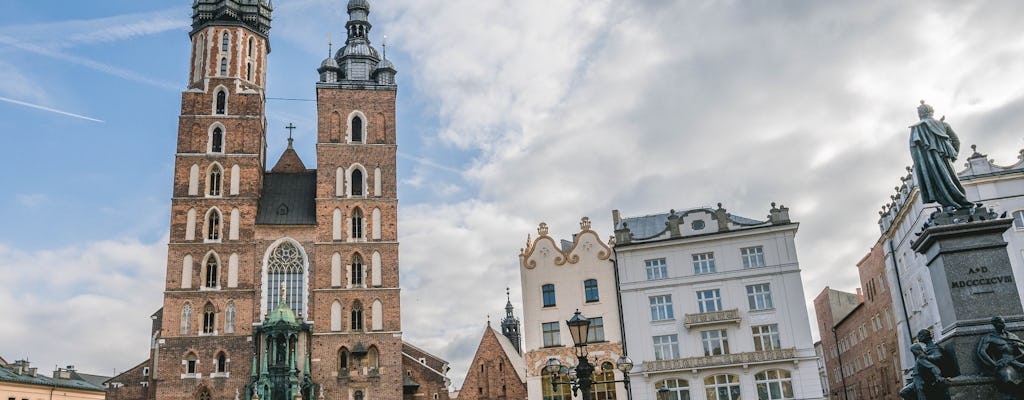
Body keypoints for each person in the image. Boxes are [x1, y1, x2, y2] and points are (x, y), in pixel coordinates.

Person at [909, 101, 974, 210]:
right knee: (952, 180)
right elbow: (956, 140)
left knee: (938, 182)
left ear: (920, 114)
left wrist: (922, 164)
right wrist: (953, 154)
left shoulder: (917, 128)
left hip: (929, 163)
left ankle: (948, 204)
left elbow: (914, 150)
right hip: (945, 158)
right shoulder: (943, 125)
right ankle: (959, 202)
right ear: (932, 112)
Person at [977, 316, 1024, 399]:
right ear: (994, 324)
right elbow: (981, 351)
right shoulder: (990, 337)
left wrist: (1019, 345)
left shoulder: (1012, 335)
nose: (1003, 324)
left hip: (1016, 362)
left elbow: (1022, 345)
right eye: (1000, 323)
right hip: (1003, 363)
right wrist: (993, 363)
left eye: (1003, 322)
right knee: (1007, 376)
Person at [901, 329, 950, 400]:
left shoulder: (933, 347)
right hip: (921, 376)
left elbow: (938, 357)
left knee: (907, 392)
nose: (918, 338)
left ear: (925, 336)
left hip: (926, 377)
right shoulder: (925, 349)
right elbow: (921, 363)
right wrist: (910, 369)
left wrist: (927, 357)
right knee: (906, 391)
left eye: (919, 335)